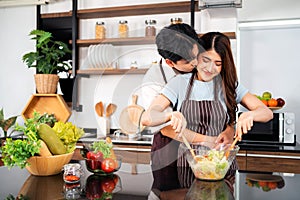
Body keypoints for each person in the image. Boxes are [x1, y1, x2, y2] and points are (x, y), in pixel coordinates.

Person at [142, 32, 273, 187]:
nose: (210, 68)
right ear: (196, 58)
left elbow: (266, 113)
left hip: (222, 164)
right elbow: (147, 117)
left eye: (218, 63)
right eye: (206, 60)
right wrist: (170, 115)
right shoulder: (179, 83)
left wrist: (250, 114)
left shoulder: (229, 85)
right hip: (191, 164)